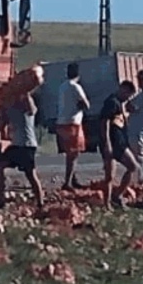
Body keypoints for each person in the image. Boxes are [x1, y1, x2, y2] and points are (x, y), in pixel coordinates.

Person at [0, 90, 44, 209]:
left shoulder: (26, 104)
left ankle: (40, 202)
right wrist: (2, 112)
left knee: (30, 174)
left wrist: (25, 93)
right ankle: (0, 199)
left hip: (27, 145)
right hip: (16, 145)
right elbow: (0, 126)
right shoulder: (9, 108)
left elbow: (33, 110)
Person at [100, 80, 138, 208]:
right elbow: (104, 122)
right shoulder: (112, 102)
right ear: (122, 89)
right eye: (127, 94)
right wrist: (107, 143)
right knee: (110, 175)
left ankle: (117, 195)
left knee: (133, 166)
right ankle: (107, 203)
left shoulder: (121, 104)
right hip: (113, 142)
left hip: (121, 141)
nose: (128, 97)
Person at [56, 62, 90, 190]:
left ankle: (72, 178)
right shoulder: (76, 87)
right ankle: (68, 182)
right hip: (73, 123)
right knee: (74, 154)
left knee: (69, 153)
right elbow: (86, 104)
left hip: (61, 122)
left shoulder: (62, 86)